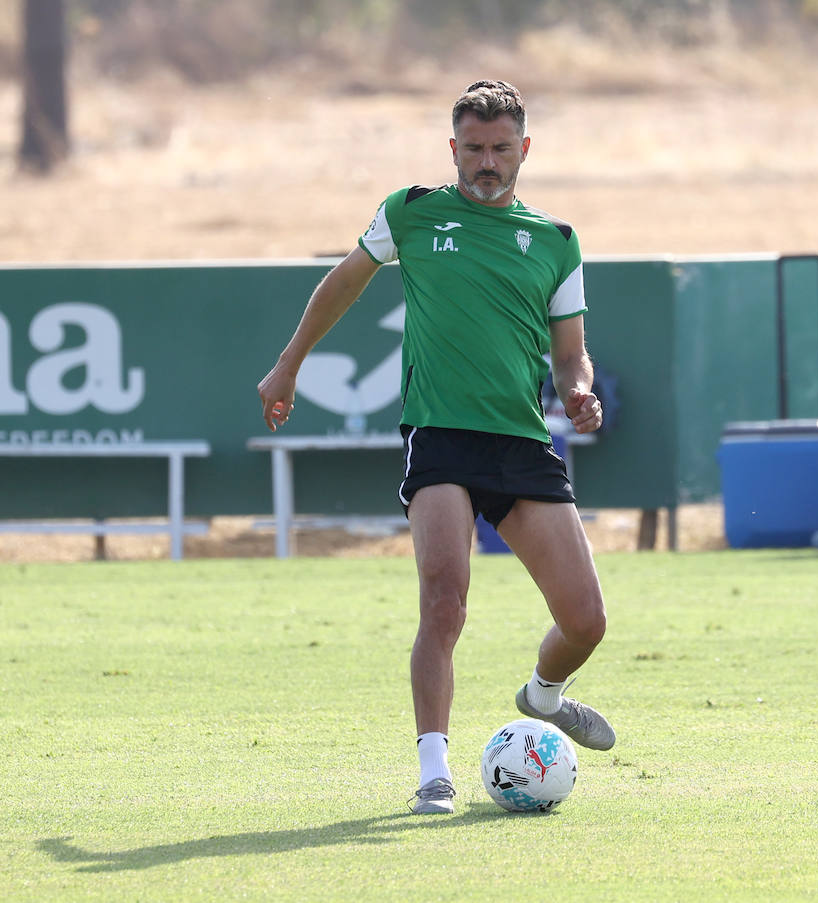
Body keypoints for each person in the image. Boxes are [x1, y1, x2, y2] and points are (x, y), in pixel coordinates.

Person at [256, 79, 616, 816]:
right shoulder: (412, 211)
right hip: (440, 436)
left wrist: (579, 391)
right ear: (453, 148)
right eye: (474, 148)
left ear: (525, 149)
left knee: (587, 621)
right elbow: (343, 283)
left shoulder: (556, 241)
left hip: (521, 441)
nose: (487, 162)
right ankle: (434, 772)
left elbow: (570, 354)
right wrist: (288, 364)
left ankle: (544, 695)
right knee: (444, 601)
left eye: (501, 148)